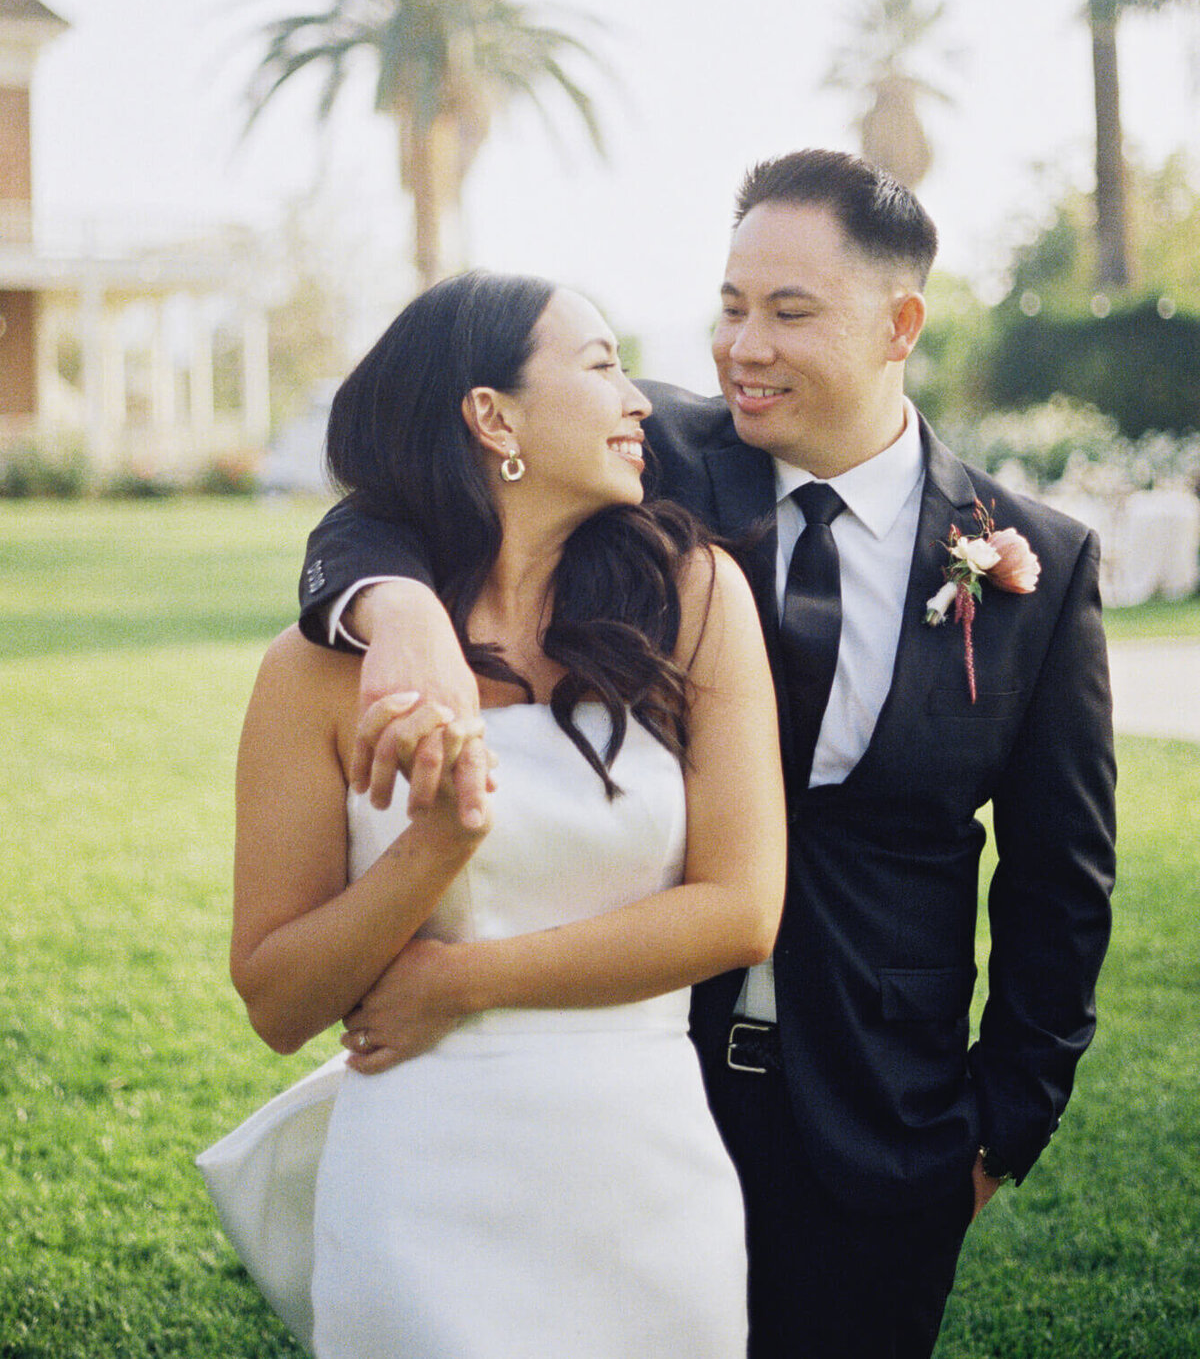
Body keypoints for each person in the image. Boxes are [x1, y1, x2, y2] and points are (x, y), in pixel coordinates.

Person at [298, 152, 1117, 1359]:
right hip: (631, 1086)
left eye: (789, 312)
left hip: (886, 1124)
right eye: (731, 306)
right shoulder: (642, 455)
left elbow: (1062, 884)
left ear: (900, 325)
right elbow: (379, 504)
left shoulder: (1034, 563)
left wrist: (996, 1136)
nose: (744, 346)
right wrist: (397, 609)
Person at [230, 270, 786, 1359]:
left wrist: (464, 981)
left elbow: (741, 912)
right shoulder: (313, 673)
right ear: (493, 417)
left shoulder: (696, 599)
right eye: (600, 364)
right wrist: (439, 846)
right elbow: (279, 1000)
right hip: (419, 1184)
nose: (639, 401)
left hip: (648, 1177)